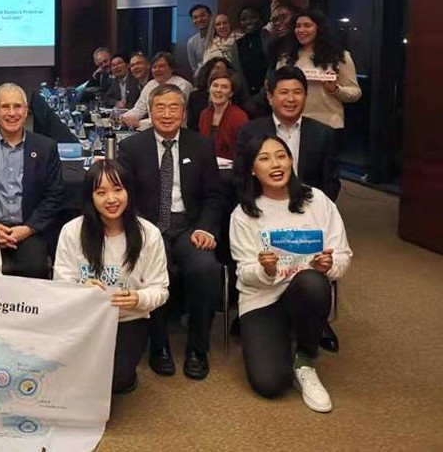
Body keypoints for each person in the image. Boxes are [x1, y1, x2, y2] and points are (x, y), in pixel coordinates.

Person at [230, 134, 352, 412]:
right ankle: (281, 336)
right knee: (269, 384)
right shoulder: (244, 213)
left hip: (305, 293)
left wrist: (328, 266)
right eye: (264, 158)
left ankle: (305, 357)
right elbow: (244, 272)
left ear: (291, 161)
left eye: (281, 156)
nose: (275, 164)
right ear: (252, 169)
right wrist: (265, 269)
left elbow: (343, 256)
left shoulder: (317, 201)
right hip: (262, 300)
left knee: (312, 282)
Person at [118, 83, 224, 380]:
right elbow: (126, 199)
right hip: (149, 228)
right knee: (155, 266)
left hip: (189, 227)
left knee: (206, 269)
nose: (167, 114)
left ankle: (197, 348)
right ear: (150, 112)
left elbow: (214, 196)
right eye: (160, 108)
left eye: (173, 107)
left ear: (184, 112)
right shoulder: (131, 148)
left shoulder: (201, 145)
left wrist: (205, 228)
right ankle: (159, 346)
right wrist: (142, 231)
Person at [53, 160, 169, 394]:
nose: (111, 199)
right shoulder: (72, 231)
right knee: (69, 374)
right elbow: (60, 283)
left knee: (116, 380)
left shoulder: (149, 234)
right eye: (101, 192)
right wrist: (81, 289)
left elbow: (160, 289)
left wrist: (137, 298)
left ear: (129, 192)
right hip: (84, 320)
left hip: (128, 319)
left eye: (118, 189)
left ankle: (127, 374)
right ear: (90, 197)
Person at [0, 83, 65, 280]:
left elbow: (54, 196)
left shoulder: (46, 148)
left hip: (29, 229)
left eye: (17, 106)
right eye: (5, 107)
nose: (12, 113)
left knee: (35, 270)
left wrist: (27, 229)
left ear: (26, 111)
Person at [237, 66, 340, 202]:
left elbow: (331, 183)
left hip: (309, 208)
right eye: (284, 92)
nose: (291, 99)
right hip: (262, 208)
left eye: (297, 92)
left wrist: (316, 210)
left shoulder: (323, 134)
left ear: (305, 96)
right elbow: (240, 178)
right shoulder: (250, 132)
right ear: (270, 96)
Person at [278, 8, 362, 131]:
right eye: (297, 26)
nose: (301, 30)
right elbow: (277, 90)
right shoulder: (286, 58)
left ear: (319, 28)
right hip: (292, 124)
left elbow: (355, 93)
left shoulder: (339, 56)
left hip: (328, 124)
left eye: (307, 25)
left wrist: (335, 89)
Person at [122, 52, 194, 125]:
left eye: (161, 66)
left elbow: (170, 115)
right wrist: (120, 118)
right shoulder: (150, 85)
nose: (157, 70)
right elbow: (139, 109)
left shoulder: (183, 85)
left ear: (171, 69)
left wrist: (140, 123)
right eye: (154, 67)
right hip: (150, 130)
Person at [198, 69, 249, 160]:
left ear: (231, 93)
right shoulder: (204, 114)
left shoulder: (239, 117)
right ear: (209, 88)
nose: (218, 90)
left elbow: (243, 152)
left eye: (224, 87)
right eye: (215, 85)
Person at [235, 5, 273, 97]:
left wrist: (263, 94)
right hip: (245, 98)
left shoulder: (270, 39)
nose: (248, 22)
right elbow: (238, 73)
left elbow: (272, 67)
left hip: (269, 94)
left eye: (253, 17)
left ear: (260, 18)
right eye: (244, 19)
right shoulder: (237, 44)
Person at [187, 4, 212, 76]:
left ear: (210, 16)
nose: (199, 19)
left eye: (202, 15)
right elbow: (194, 68)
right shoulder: (191, 42)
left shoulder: (221, 36)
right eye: (195, 17)